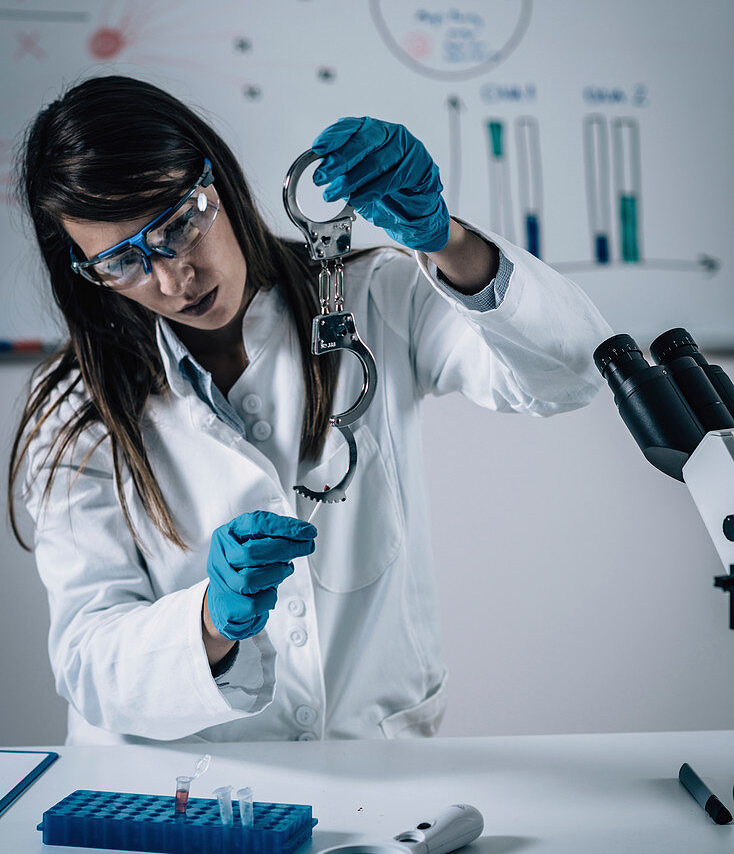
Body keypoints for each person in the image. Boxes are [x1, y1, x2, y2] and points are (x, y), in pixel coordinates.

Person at [9, 75, 612, 745]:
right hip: (186, 800)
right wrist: (211, 621)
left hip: (372, 764)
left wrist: (448, 241)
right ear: (83, 268)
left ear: (219, 177)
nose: (174, 277)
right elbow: (87, 660)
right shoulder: (75, 407)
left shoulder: (376, 297)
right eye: (124, 260)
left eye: (181, 222)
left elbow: (570, 373)